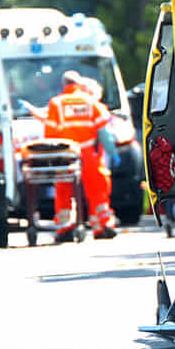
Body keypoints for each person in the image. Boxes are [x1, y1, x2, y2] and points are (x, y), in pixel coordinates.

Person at [28, 70, 117, 241]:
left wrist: (50, 156)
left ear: (64, 85)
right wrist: (113, 152)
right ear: (79, 83)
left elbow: (50, 133)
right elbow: (103, 131)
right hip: (89, 154)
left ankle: (65, 228)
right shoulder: (91, 102)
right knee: (97, 190)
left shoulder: (56, 103)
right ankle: (102, 226)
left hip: (66, 155)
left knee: (63, 191)